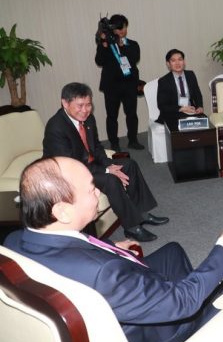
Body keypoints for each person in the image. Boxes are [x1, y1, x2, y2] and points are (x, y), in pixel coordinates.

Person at [4, 156, 223, 342]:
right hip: (154, 336)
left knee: (172, 251)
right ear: (62, 211)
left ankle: (179, 290)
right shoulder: (104, 273)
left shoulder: (15, 240)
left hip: (118, 292)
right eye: (91, 190)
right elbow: (180, 303)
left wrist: (109, 247)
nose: (99, 192)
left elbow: (73, 249)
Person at [43, 82, 167, 242]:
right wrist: (107, 171)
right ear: (65, 103)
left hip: (89, 165)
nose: (85, 110)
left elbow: (97, 147)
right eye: (80, 105)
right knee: (111, 179)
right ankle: (132, 227)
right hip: (69, 175)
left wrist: (109, 164)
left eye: (88, 105)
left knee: (130, 165)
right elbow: (70, 166)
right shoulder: (56, 127)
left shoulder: (88, 119)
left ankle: (142, 213)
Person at [95, 14, 144, 152]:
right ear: (112, 29)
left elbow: (135, 58)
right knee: (112, 116)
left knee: (132, 114)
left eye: (124, 27)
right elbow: (99, 61)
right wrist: (104, 45)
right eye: (118, 28)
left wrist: (121, 46)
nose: (122, 30)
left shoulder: (132, 44)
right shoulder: (106, 45)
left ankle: (133, 140)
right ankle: (114, 143)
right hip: (111, 86)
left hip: (129, 84)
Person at [156, 49, 205, 131]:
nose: (177, 63)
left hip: (191, 111)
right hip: (173, 114)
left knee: (204, 128)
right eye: (173, 60)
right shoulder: (163, 81)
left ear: (184, 62)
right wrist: (181, 108)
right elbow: (162, 106)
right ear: (168, 64)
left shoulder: (191, 75)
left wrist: (200, 106)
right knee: (182, 131)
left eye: (180, 59)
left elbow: (197, 93)